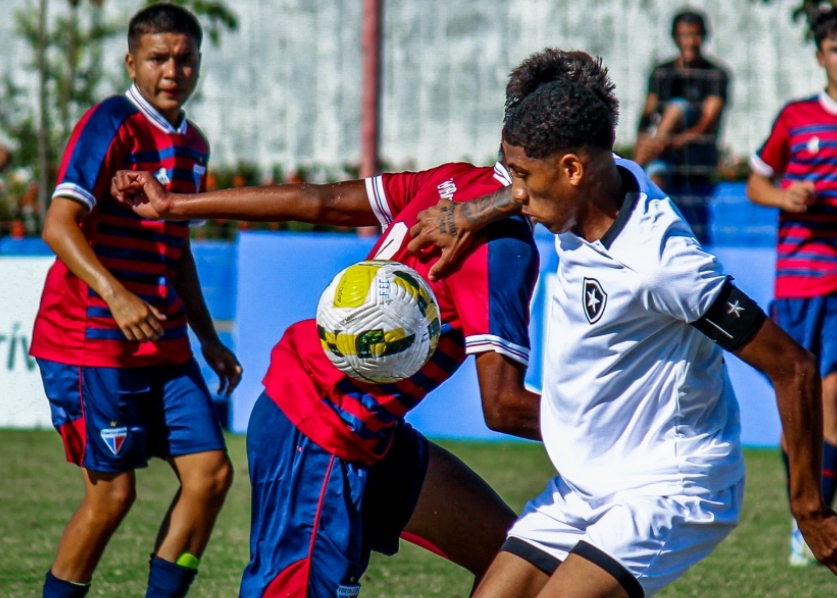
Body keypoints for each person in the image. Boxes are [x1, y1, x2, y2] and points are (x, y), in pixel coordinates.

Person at [111, 49, 617, 598]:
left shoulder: (449, 181)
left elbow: (318, 201)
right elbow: (503, 405)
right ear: (576, 162)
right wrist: (631, 438)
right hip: (322, 429)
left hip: (358, 426)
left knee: (517, 563)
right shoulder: (503, 247)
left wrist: (174, 205)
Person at [407, 65, 837, 596]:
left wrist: (810, 509)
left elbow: (793, 366)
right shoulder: (595, 184)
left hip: (670, 486)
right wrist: (475, 211)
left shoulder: (661, 265)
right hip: (588, 484)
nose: (513, 192)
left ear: (570, 169)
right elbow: (545, 168)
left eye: (520, 176)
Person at [29, 3, 242, 598]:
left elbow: (177, 251)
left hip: (164, 341)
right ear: (132, 61)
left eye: (185, 58)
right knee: (113, 493)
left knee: (212, 475)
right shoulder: (110, 122)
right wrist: (117, 297)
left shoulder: (193, 144)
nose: (172, 69)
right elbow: (58, 224)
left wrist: (207, 339)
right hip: (91, 340)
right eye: (158, 57)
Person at [747, 5, 837, 567]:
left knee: (833, 396)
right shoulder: (797, 117)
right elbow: (757, 180)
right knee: (798, 403)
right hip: (799, 282)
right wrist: (786, 196)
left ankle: (819, 517)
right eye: (835, 49)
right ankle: (803, 515)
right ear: (821, 55)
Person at [633, 9, 730, 245]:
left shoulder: (715, 75)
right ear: (676, 37)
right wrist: (649, 140)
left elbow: (707, 125)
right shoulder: (663, 72)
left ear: (704, 36)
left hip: (695, 151)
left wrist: (670, 142)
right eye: (685, 35)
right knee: (656, 175)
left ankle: (632, 171)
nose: (690, 42)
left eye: (695, 35)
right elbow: (647, 114)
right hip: (663, 153)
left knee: (677, 107)